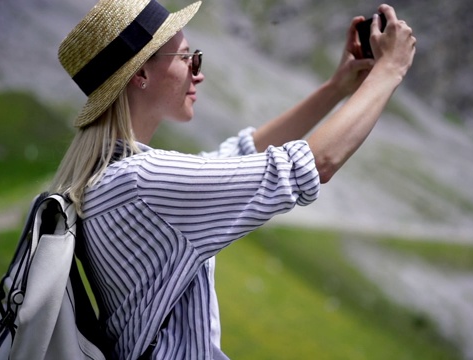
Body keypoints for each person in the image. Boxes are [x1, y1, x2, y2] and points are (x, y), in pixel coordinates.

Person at [50, 0, 415, 358]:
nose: (198, 71)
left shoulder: (114, 177)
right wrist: (390, 71)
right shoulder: (142, 182)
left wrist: (337, 87)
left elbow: (242, 153)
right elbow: (311, 166)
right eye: (187, 58)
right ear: (141, 74)